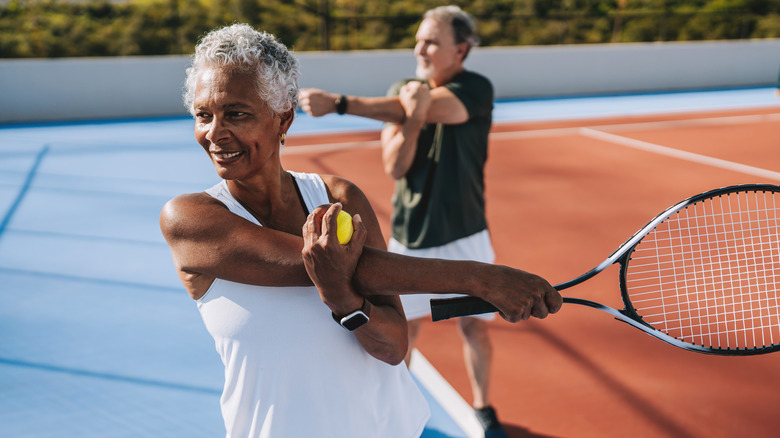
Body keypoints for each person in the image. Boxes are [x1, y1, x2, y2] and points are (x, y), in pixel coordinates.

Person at [160, 23, 561, 438]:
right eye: (203, 115)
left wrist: (346, 301)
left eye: (236, 114)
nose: (214, 132)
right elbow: (317, 262)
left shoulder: (338, 196)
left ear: (283, 120)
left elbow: (392, 348)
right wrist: (482, 278)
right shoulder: (189, 220)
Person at [299, 6, 509, 437]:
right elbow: (396, 165)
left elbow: (434, 108)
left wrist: (339, 104)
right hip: (412, 239)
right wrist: (410, 116)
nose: (421, 48)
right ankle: (396, 416)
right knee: (400, 335)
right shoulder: (402, 92)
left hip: (467, 234)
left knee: (475, 330)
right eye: (418, 39)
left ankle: (484, 408)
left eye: (432, 41)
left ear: (462, 49)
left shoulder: (475, 88)